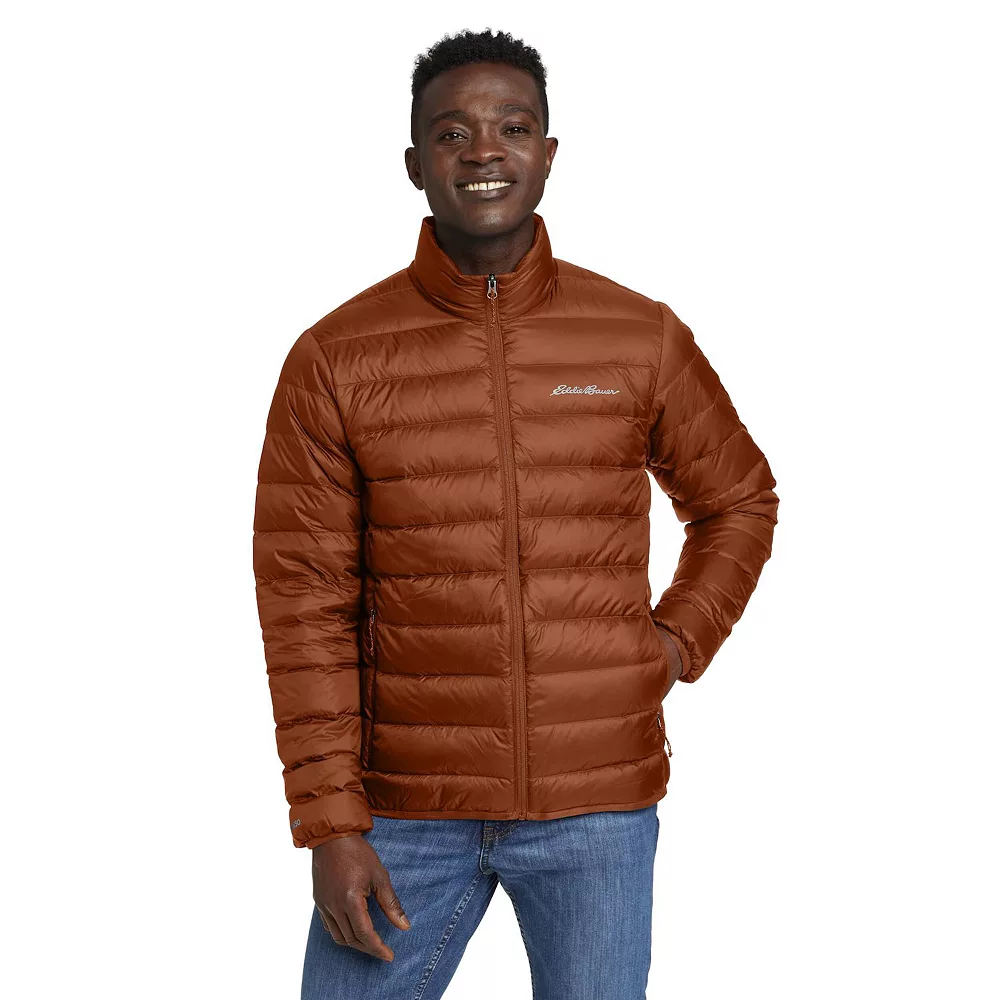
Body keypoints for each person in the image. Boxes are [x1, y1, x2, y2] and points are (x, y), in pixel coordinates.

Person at [252, 27, 779, 1000]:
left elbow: (738, 500)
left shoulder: (637, 336)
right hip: (403, 806)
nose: (483, 151)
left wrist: (670, 647)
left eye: (512, 127)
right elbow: (304, 605)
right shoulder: (336, 359)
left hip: (597, 803)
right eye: (452, 133)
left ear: (548, 153)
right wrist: (329, 823)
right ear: (414, 164)